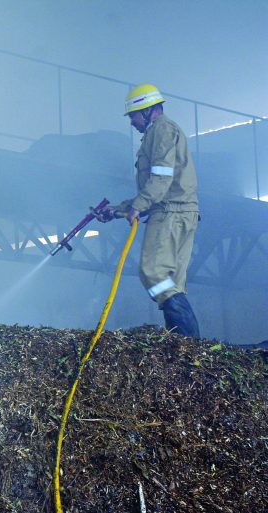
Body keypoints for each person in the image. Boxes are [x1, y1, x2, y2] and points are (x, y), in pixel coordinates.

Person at [98, 84, 200, 337]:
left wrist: (137, 207)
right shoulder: (161, 132)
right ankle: (184, 341)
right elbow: (158, 188)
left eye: (134, 114)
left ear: (150, 110)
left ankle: (187, 340)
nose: (132, 120)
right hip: (180, 211)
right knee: (171, 283)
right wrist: (119, 210)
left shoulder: (162, 130)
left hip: (170, 214)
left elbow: (161, 179)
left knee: (153, 272)